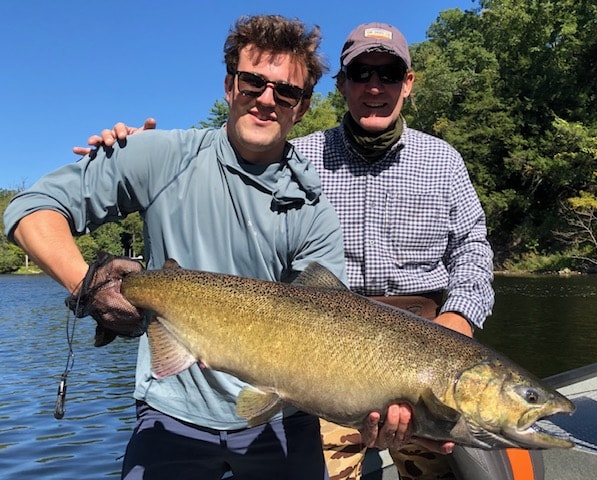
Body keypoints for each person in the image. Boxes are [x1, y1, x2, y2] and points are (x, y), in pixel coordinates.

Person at [4, 15, 437, 480]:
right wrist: (87, 284)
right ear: (230, 86)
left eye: (285, 92)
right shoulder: (158, 156)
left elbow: (331, 331)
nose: (266, 99)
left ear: (302, 107)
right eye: (253, 83)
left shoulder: (314, 211)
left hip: (280, 420)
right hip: (170, 416)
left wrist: (368, 411)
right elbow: (31, 209)